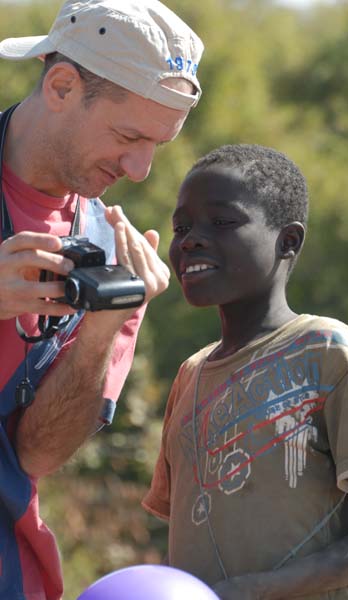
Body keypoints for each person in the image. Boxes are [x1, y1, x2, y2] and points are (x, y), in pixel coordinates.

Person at [0, 0, 204, 598]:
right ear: (61, 85)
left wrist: (104, 326)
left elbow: (35, 455)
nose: (141, 170)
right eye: (128, 136)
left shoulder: (111, 256)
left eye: (157, 145)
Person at [142, 144, 348, 600]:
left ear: (288, 241)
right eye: (181, 227)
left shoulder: (326, 350)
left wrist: (261, 589)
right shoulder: (191, 376)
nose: (190, 240)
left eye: (221, 222)